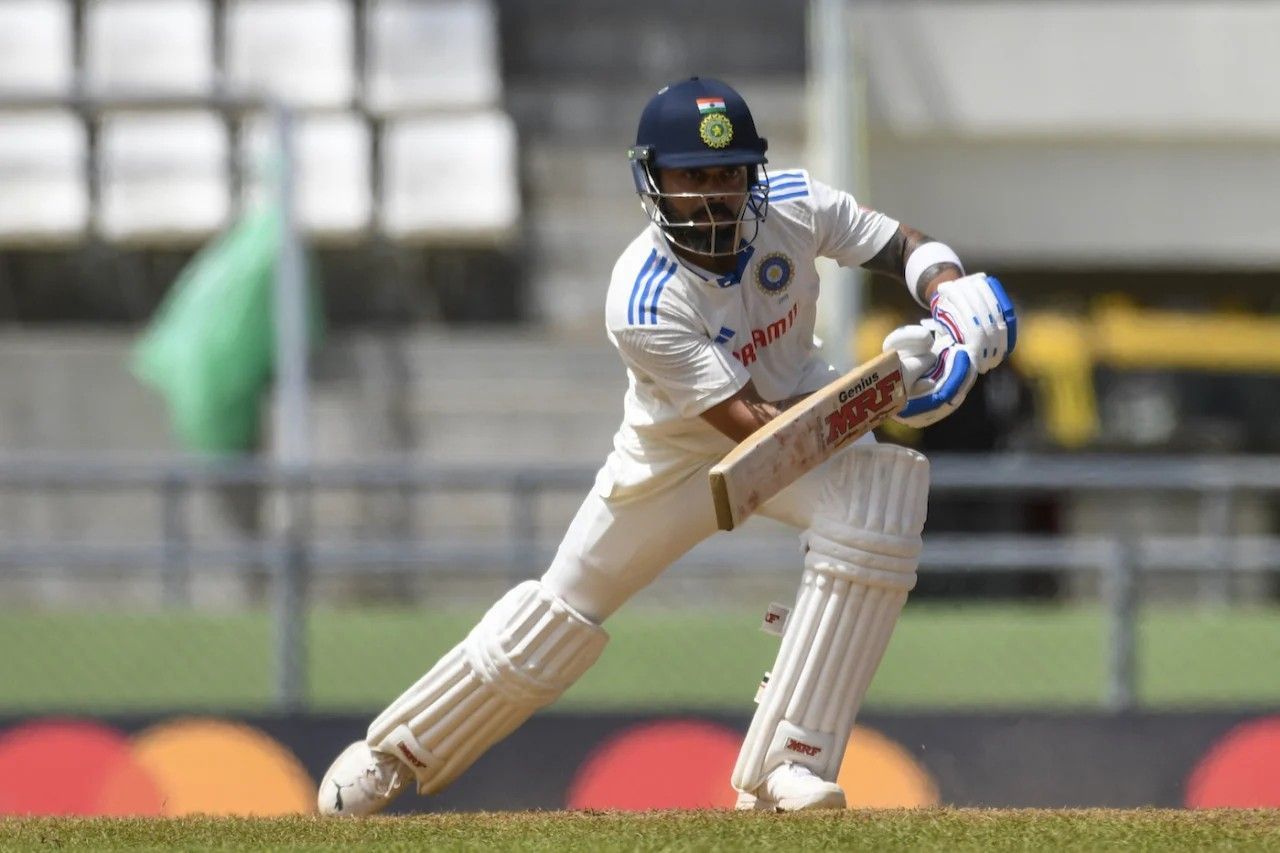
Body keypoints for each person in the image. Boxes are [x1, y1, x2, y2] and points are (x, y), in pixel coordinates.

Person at [318, 76, 1016, 815]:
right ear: (653, 181)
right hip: (674, 456)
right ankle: (392, 753)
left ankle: (791, 764)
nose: (714, 196)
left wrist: (948, 292)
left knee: (882, 497)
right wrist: (893, 383)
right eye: (691, 177)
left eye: (728, 174)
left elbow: (900, 243)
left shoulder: (792, 202)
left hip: (798, 415)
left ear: (752, 172)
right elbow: (764, 434)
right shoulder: (642, 298)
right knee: (562, 611)